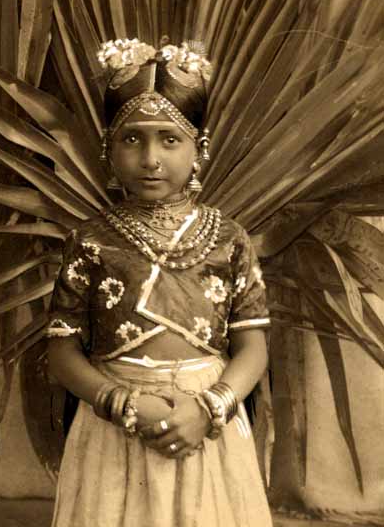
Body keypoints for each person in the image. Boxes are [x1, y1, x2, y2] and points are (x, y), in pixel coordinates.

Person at [46, 38, 273, 527]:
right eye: (133, 139)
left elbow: (252, 347)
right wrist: (124, 403)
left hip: (207, 422)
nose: (150, 158)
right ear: (108, 148)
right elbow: (62, 353)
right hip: (116, 426)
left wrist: (209, 408)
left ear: (199, 149)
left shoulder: (228, 238)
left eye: (169, 139)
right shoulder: (90, 241)